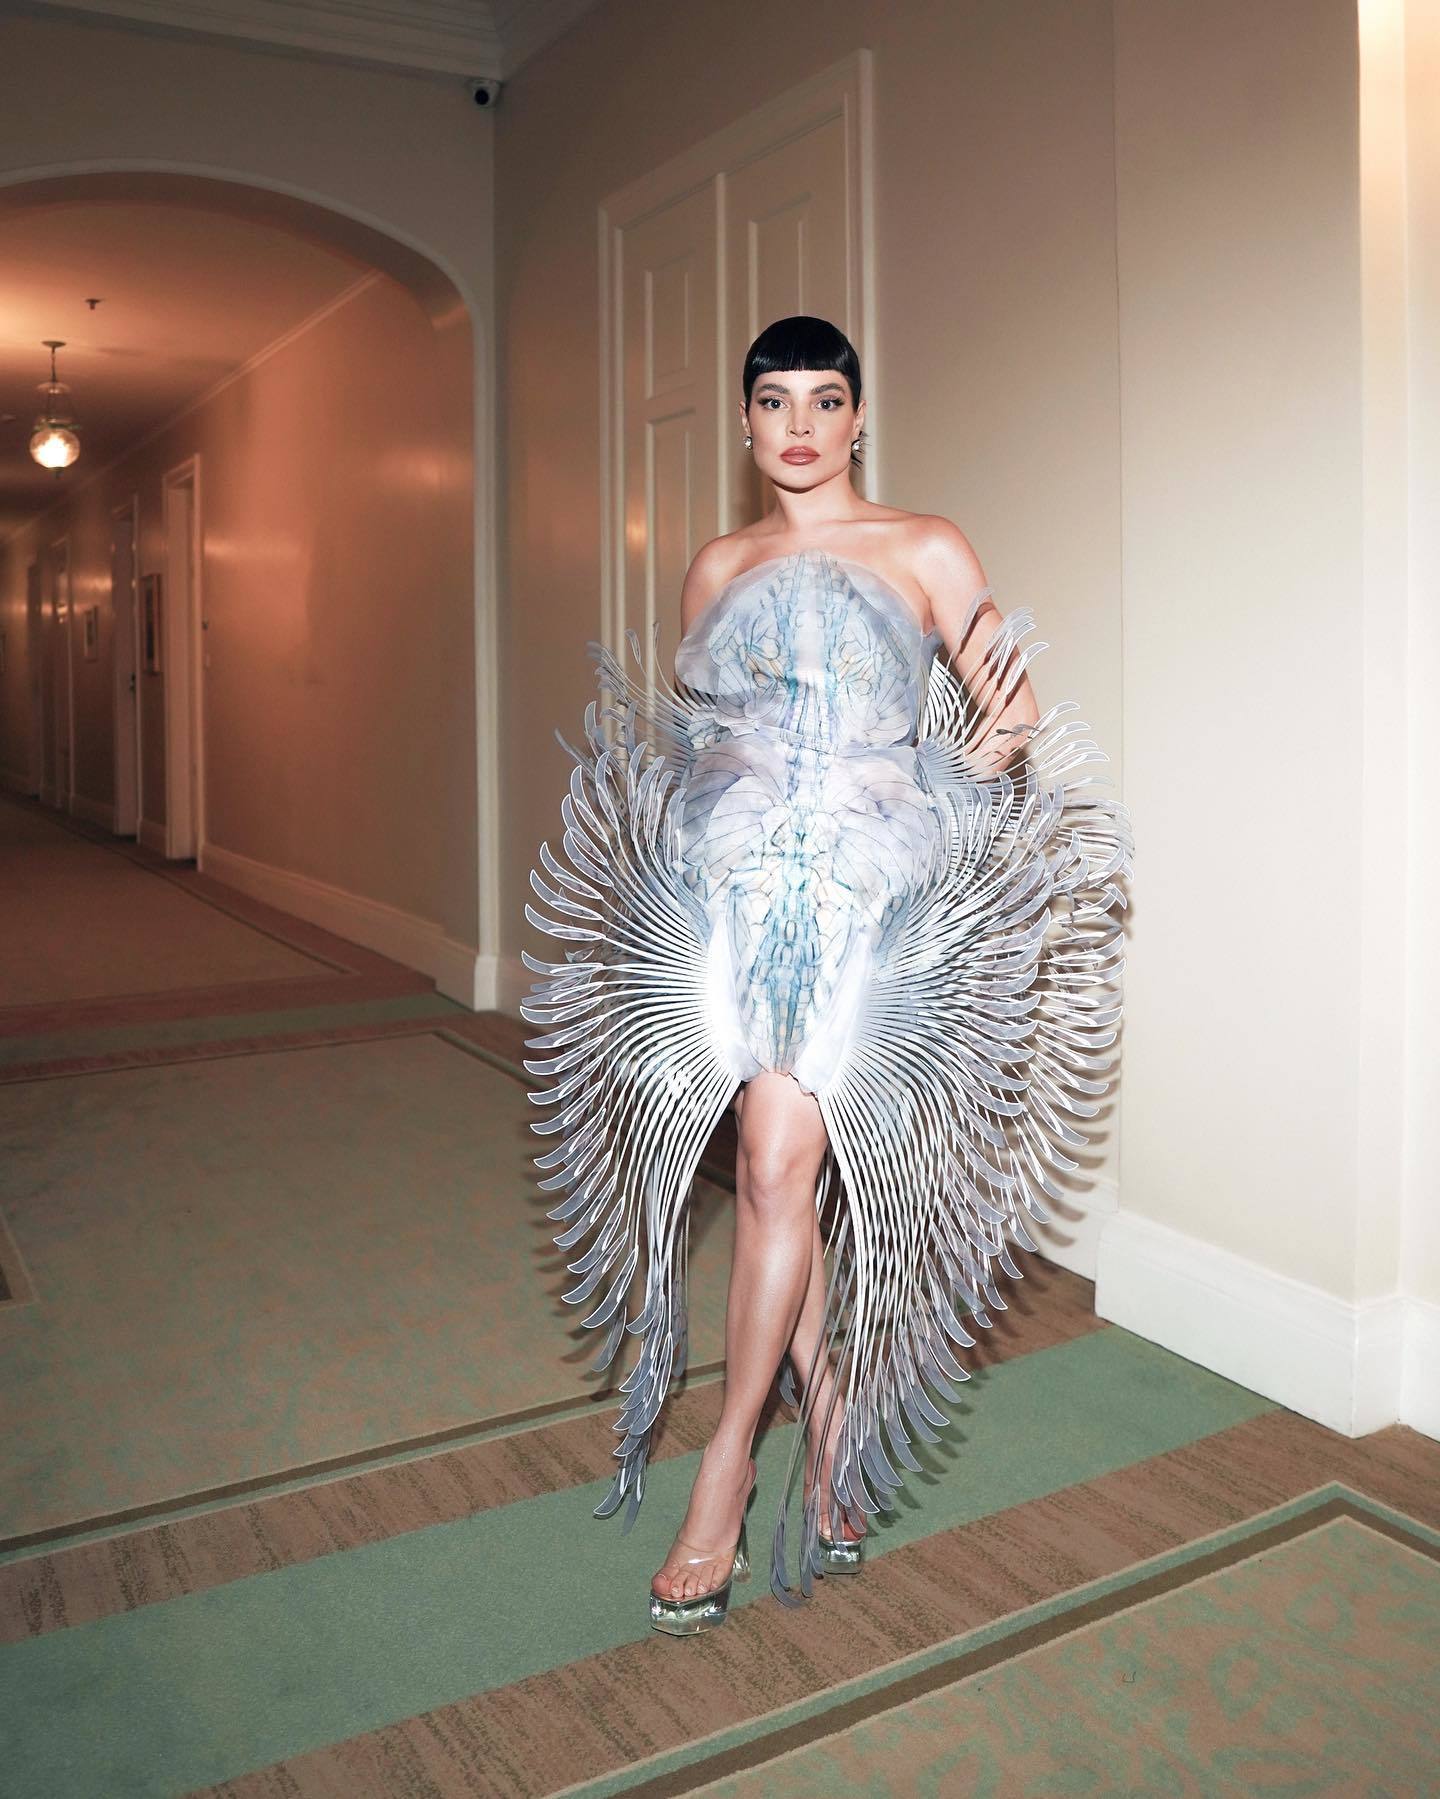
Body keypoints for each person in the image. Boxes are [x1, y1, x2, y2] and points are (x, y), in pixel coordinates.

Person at [521, 315, 1130, 1637]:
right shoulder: (717, 565)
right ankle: (833, 1408)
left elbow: (1010, 709)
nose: (800, 425)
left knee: (778, 1156)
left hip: (862, 887)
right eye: (775, 402)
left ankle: (727, 1463)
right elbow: (700, 734)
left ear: (858, 418)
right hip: (732, 889)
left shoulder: (926, 546)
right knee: (766, 1167)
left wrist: (934, 795)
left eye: (826, 400)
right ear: (746, 423)